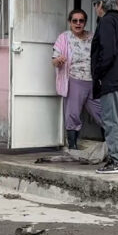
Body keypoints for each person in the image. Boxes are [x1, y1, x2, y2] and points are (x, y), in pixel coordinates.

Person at [90, 0, 118, 174]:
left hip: (112, 78)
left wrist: (98, 73)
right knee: (114, 119)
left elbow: (107, 51)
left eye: (95, 4)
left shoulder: (107, 21)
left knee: (110, 120)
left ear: (100, 4)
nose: (94, 8)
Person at [51, 8, 101, 149]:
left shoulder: (92, 37)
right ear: (69, 22)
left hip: (93, 81)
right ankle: (72, 147)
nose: (78, 23)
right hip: (75, 80)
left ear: (85, 22)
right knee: (73, 114)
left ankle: (110, 145)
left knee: (102, 112)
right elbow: (54, 60)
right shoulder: (64, 38)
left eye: (81, 21)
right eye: (75, 21)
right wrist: (58, 60)